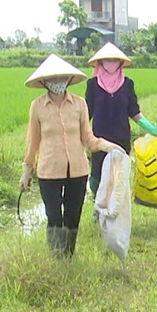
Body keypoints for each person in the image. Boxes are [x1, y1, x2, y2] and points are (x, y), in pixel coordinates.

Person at [20, 54, 124, 258]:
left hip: (77, 171)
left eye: (62, 78)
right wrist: (26, 172)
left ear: (68, 80)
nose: (58, 82)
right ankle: (56, 257)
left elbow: (89, 139)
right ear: (44, 82)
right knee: (53, 217)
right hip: (49, 172)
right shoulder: (37, 106)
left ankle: (68, 256)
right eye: (53, 79)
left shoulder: (79, 104)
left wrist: (110, 146)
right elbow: (32, 142)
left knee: (72, 217)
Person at [84, 43, 157, 201]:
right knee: (97, 176)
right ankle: (98, 206)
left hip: (121, 137)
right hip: (99, 140)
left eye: (114, 60)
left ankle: (116, 207)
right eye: (107, 60)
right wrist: (77, 133)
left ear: (120, 63)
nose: (111, 63)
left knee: (119, 177)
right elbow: (87, 113)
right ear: (100, 63)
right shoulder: (92, 85)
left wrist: (152, 129)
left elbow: (134, 112)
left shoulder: (127, 84)